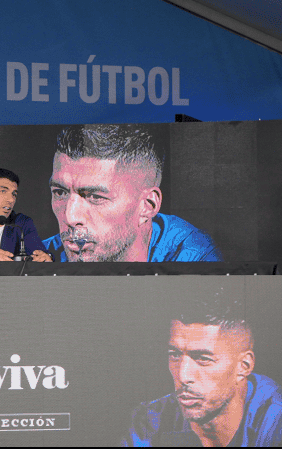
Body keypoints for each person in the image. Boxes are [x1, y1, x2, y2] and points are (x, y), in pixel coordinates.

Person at [123, 290, 282, 446]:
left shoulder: (276, 422)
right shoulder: (150, 421)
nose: (183, 376)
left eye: (203, 358)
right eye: (175, 355)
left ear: (243, 366)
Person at [42, 124, 222, 262]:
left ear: (147, 206)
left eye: (95, 197)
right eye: (60, 193)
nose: (70, 217)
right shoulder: (43, 254)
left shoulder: (195, 255)